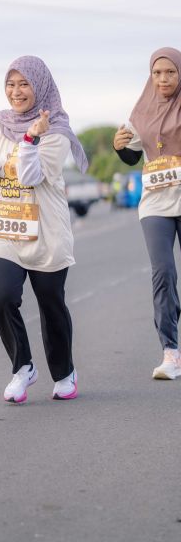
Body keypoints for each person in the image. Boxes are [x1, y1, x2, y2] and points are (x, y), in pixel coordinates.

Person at [0, 55, 88, 403]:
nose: (16, 91)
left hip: (46, 233)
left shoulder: (56, 131)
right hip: (5, 229)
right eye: (10, 84)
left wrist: (30, 140)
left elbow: (30, 176)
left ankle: (64, 372)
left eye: (24, 84)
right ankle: (22, 367)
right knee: (1, 298)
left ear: (40, 86)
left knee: (51, 304)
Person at [113, 47, 181, 381]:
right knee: (163, 273)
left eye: (170, 72)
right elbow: (131, 155)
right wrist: (119, 146)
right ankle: (170, 351)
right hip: (155, 203)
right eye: (157, 73)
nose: (163, 79)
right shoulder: (141, 112)